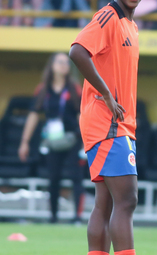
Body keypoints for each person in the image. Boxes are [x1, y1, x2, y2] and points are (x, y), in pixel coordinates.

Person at [69, 1, 140, 255]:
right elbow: (77, 51)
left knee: (107, 201)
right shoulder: (108, 16)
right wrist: (107, 94)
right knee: (127, 199)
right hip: (107, 123)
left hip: (119, 124)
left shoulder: (130, 24)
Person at [18, 52, 84, 224]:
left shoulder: (74, 88)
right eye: (60, 62)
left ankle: (77, 217)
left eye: (66, 62)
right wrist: (24, 142)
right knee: (53, 178)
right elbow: (34, 114)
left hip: (73, 139)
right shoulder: (43, 89)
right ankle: (53, 216)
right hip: (53, 140)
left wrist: (86, 140)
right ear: (52, 66)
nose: (64, 65)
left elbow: (81, 114)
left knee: (76, 178)